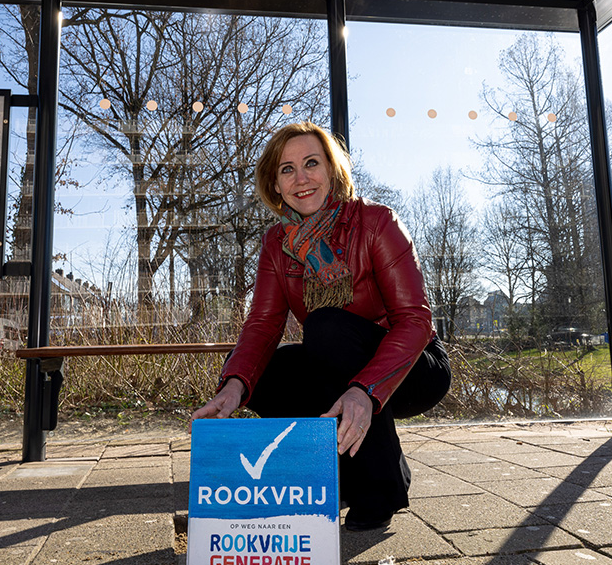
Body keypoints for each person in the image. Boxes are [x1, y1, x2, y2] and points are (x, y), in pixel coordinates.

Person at [191, 121, 451, 531]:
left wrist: (365, 390)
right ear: (275, 185)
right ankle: (339, 477)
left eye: (311, 163)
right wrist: (233, 386)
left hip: (412, 367)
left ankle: (379, 489)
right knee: (267, 376)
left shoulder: (376, 222)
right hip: (335, 362)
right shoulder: (277, 245)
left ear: (332, 170)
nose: (301, 178)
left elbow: (415, 321)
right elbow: (262, 324)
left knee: (327, 328)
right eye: (287, 169)